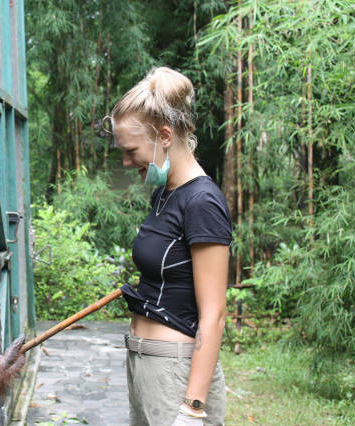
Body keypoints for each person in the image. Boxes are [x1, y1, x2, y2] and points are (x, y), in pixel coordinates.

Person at [103, 67, 232, 425]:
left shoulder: (202, 202)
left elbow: (214, 315)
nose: (127, 162)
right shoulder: (165, 193)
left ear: (163, 135)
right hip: (145, 364)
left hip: (176, 370)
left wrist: (192, 407)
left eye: (130, 151)